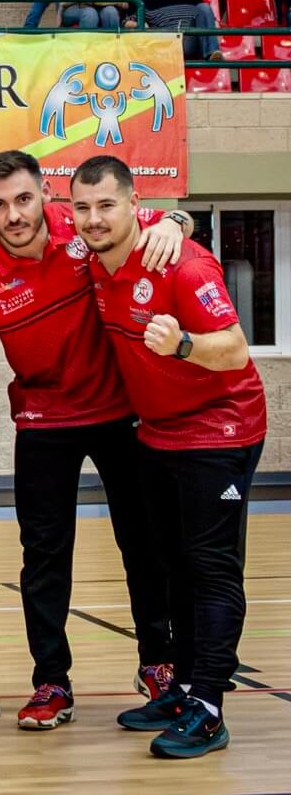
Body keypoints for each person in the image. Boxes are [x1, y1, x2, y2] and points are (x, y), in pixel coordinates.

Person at [0, 150, 185, 729]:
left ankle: (158, 664)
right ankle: (51, 682)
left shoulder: (82, 227)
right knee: (44, 559)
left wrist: (175, 223)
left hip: (121, 413)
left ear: (45, 193)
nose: (14, 215)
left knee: (143, 545)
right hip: (44, 424)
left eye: (23, 199)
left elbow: (145, 221)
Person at [72, 156, 267, 759]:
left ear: (135, 204)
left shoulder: (179, 261)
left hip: (221, 429)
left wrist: (181, 343)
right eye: (83, 207)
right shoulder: (96, 257)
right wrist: (177, 218)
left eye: (107, 205)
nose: (94, 218)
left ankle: (208, 708)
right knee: (171, 565)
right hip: (157, 432)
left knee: (211, 569)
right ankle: (182, 686)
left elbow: (234, 350)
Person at [138, 0, 222, 60]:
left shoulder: (196, 2)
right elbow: (130, 22)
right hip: (163, 45)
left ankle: (212, 54)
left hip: (188, 44)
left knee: (204, 7)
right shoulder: (155, 4)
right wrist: (143, 25)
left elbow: (214, 25)